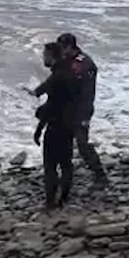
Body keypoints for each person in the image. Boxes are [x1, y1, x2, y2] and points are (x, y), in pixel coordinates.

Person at [56, 33, 108, 188]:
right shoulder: (66, 61)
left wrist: (85, 114)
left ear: (69, 47)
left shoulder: (85, 64)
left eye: (62, 48)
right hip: (67, 109)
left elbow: (88, 93)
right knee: (63, 143)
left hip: (81, 110)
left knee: (82, 144)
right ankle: (66, 176)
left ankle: (100, 174)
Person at [33, 42, 80, 210]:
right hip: (69, 125)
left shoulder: (57, 76)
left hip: (55, 127)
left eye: (44, 56)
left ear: (51, 57)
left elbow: (51, 106)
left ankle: (50, 202)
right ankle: (64, 199)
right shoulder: (71, 73)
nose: (43, 59)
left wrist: (38, 129)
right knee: (66, 164)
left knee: (51, 166)